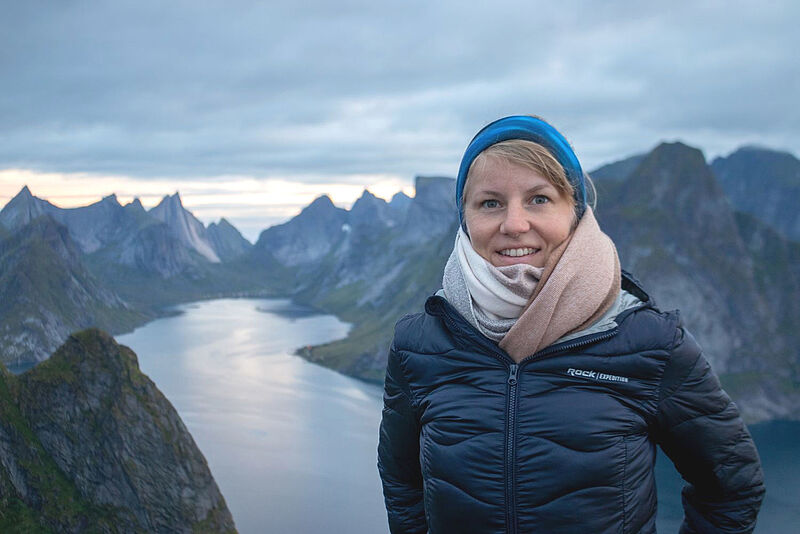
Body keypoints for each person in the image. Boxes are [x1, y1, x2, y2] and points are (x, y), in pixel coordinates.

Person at [377, 115, 765, 533]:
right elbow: (402, 482)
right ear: (465, 217)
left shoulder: (650, 342)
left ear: (575, 211)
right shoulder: (418, 346)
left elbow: (732, 486)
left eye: (539, 199)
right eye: (490, 203)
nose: (514, 224)